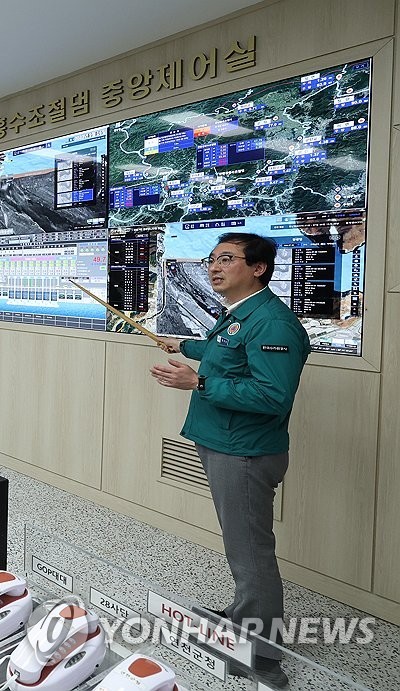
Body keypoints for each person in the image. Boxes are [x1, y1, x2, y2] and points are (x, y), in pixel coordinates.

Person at [150, 232, 309, 688]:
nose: (215, 267)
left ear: (258, 268)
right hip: (224, 442)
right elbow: (228, 353)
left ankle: (261, 656)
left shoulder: (274, 324)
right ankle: (243, 617)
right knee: (242, 546)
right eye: (212, 259)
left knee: (251, 552)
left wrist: (197, 384)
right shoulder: (243, 315)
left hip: (244, 453)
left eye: (227, 259)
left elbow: (271, 395)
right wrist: (183, 347)